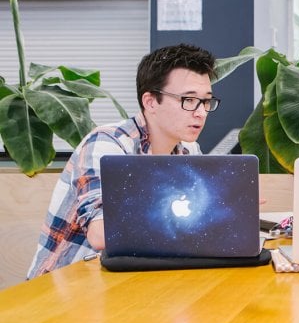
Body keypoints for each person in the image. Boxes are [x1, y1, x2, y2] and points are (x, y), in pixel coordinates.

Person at [28, 43, 220, 278]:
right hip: (63, 289)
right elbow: (100, 234)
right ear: (150, 102)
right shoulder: (107, 144)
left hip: (131, 279)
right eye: (189, 100)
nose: (200, 112)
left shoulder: (188, 150)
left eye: (206, 101)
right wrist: (209, 216)